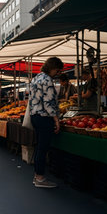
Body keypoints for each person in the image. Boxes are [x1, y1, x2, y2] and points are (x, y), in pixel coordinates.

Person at [29, 57, 63, 188]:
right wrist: (56, 119)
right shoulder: (47, 80)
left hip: (35, 116)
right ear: (53, 68)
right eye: (58, 70)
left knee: (39, 147)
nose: (58, 73)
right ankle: (40, 178)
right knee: (43, 148)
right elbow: (48, 103)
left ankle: (37, 175)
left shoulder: (36, 78)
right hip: (44, 117)